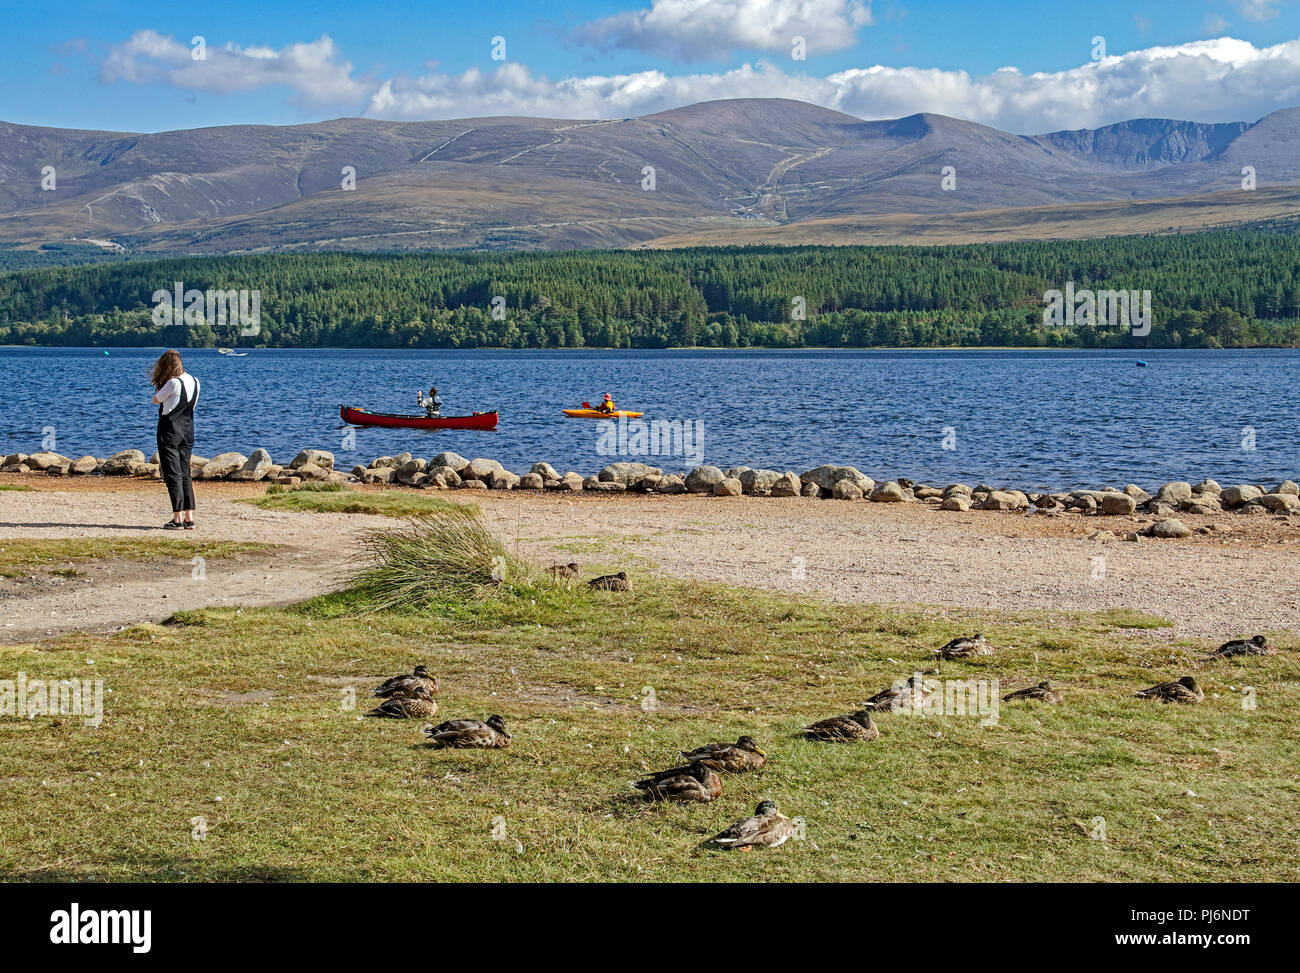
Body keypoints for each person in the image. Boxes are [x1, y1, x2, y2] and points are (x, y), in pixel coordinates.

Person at [150, 349, 200, 530]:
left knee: (173, 474)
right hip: (188, 430)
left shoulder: (172, 383)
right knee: (185, 472)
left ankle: (176, 518)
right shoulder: (195, 381)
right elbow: (192, 406)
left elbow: (156, 399)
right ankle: (189, 516)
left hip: (169, 431)